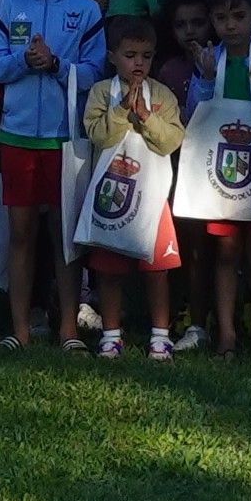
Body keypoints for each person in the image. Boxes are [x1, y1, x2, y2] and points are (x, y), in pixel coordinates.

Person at [0, 0, 109, 346]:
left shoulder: (86, 12)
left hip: (64, 139)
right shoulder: (9, 4)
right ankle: (19, 330)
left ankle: (68, 328)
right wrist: (24, 59)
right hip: (17, 135)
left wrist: (55, 64)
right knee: (20, 234)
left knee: (63, 237)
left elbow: (94, 73)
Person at [77, 24, 187, 359]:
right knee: (109, 268)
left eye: (146, 56)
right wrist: (123, 110)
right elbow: (99, 136)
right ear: (112, 57)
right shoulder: (100, 93)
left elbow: (171, 140)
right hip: (111, 193)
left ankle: (160, 335)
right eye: (129, 56)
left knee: (156, 269)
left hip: (152, 196)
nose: (138, 63)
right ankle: (111, 334)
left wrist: (147, 118)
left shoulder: (163, 95)